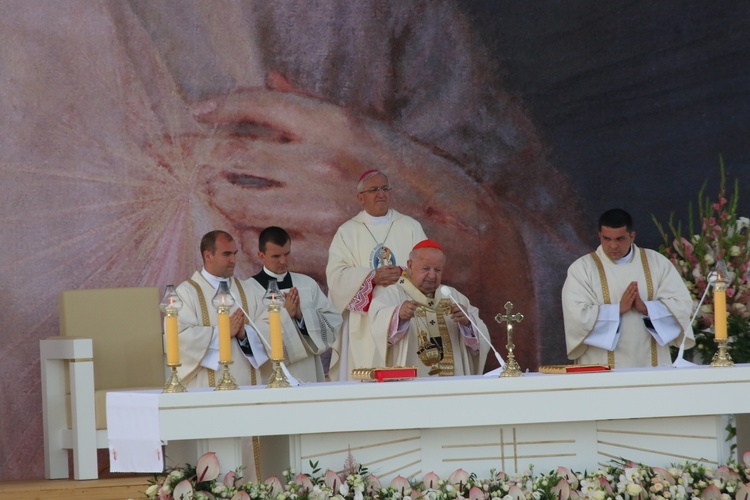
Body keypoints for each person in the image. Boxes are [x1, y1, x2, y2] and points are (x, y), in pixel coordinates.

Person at [326, 170, 428, 379]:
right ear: (360, 197)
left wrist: (403, 273)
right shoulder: (347, 232)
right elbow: (336, 277)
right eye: (373, 190)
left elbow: (427, 266)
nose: (380, 194)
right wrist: (371, 277)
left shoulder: (410, 227)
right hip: (364, 326)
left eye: (385, 188)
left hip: (406, 316)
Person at [562, 209, 694, 368]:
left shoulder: (657, 263)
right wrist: (616, 310)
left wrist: (646, 308)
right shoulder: (582, 269)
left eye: (620, 239)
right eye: (606, 239)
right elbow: (576, 316)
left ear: (632, 236)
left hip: (651, 364)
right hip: (600, 365)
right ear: (599, 236)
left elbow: (682, 306)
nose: (613, 245)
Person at [369, 239, 489, 377]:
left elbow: (481, 341)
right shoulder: (393, 294)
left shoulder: (454, 296)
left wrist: (468, 323)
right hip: (411, 386)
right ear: (410, 265)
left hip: (452, 385)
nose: (432, 275)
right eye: (426, 269)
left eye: (437, 270)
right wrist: (397, 315)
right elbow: (377, 329)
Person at [242, 226, 341, 383]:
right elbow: (248, 336)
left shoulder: (307, 284)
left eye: (287, 254)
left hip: (308, 370)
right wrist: (284, 315)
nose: (283, 261)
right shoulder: (248, 289)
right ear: (261, 255)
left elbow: (333, 322)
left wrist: (302, 316)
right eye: (276, 256)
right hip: (271, 374)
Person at [174, 230, 270, 387]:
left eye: (235, 253)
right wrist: (223, 332)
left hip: (247, 386)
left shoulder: (249, 290)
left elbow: (269, 329)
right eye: (226, 254)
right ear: (208, 256)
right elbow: (180, 338)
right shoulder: (186, 293)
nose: (233, 260)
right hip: (207, 388)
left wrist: (245, 334)